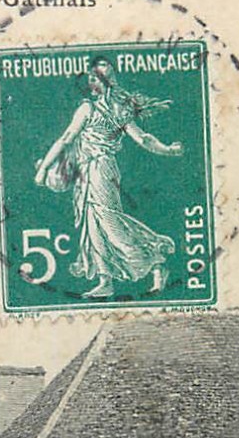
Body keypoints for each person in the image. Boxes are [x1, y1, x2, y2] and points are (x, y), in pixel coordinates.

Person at [33, 57, 184, 298]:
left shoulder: (91, 109)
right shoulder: (115, 110)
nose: (91, 80)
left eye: (94, 77)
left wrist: (43, 169)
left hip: (100, 171)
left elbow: (66, 139)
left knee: (109, 223)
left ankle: (156, 262)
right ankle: (106, 281)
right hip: (89, 172)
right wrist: (167, 149)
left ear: (101, 82)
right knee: (93, 225)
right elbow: (142, 138)